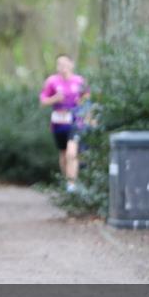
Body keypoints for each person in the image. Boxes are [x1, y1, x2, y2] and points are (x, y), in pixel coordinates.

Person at [39, 54, 88, 193]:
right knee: (63, 153)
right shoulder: (52, 81)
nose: (62, 67)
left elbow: (87, 99)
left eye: (65, 64)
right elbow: (43, 101)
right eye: (59, 64)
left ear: (71, 64)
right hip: (59, 123)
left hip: (75, 122)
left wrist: (83, 106)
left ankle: (72, 184)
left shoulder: (80, 81)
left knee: (72, 153)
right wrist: (55, 98)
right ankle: (67, 182)